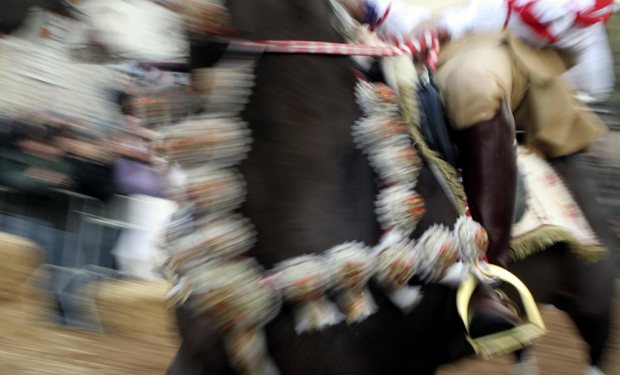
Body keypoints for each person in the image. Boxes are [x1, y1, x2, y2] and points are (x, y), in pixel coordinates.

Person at [338, 0, 614, 342]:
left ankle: (489, 278)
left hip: (489, 37)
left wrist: (445, 25)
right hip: (386, 38)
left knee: (473, 82)